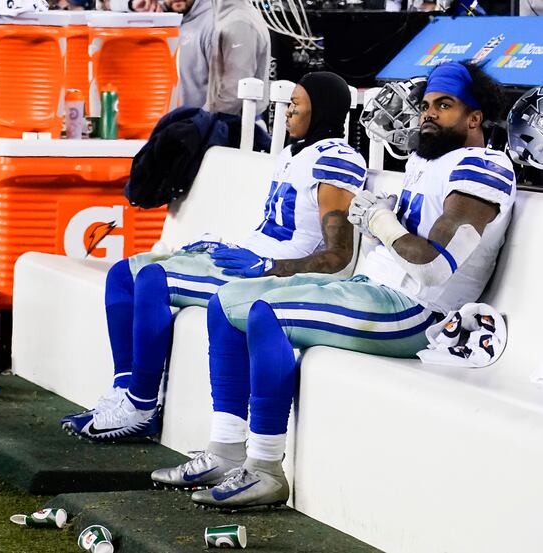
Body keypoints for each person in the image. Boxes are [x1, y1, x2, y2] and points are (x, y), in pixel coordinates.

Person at [152, 61, 515, 509]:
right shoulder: (427, 162)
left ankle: (265, 468)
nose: (428, 115)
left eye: (445, 105)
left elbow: (434, 267)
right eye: (426, 105)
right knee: (225, 303)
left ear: (475, 117)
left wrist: (379, 220)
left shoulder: (486, 167)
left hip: (416, 312)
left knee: (268, 316)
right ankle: (226, 451)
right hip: (371, 289)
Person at [62, 72, 367, 442]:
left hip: (272, 275)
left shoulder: (337, 158)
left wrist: (270, 267)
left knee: (153, 279)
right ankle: (122, 391)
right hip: (250, 256)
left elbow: (337, 255)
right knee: (124, 274)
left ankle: (141, 407)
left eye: (297, 106)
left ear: (322, 112)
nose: (287, 113)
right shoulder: (292, 153)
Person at [115, 0, 214, 109]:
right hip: (157, 120)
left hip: (195, 123)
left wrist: (197, 124)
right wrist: (131, 4)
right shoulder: (156, 16)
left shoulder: (213, 25)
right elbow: (101, 7)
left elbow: (225, 97)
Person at [204, 0, 270, 115]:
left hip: (236, 124)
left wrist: (206, 121)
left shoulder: (239, 22)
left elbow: (236, 90)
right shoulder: (229, 15)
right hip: (232, 121)